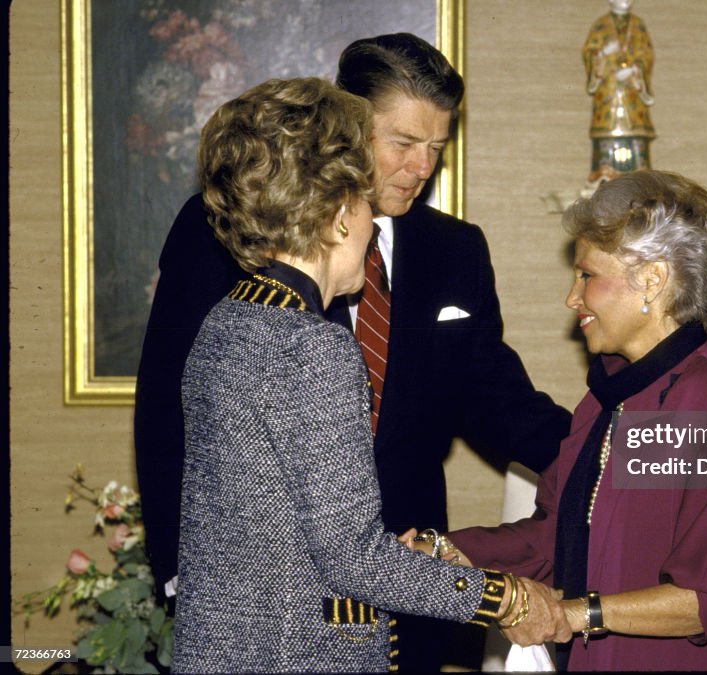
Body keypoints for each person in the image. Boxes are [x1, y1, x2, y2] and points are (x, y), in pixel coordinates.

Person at [133, 33, 572, 670]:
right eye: (402, 144)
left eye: (437, 149)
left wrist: (609, 458)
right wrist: (185, 579)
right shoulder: (226, 245)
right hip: (276, 610)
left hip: (411, 587)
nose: (422, 168)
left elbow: (498, 401)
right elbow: (165, 411)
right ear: (347, 129)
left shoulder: (454, 249)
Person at [442, 170, 707, 671]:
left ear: (652, 279)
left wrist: (570, 616)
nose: (572, 298)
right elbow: (555, 538)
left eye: (587, 275)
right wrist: (452, 552)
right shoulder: (611, 395)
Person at [583, 0, 655, 184]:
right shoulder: (601, 25)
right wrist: (603, 54)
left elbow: (646, 54)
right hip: (609, 89)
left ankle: (640, 167)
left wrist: (634, 70)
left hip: (631, 88)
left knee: (635, 129)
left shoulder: (638, 25)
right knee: (607, 129)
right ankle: (604, 168)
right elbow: (590, 52)